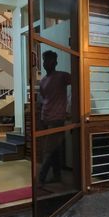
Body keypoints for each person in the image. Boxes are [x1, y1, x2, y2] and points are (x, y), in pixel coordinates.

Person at [39, 50, 71, 186]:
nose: (47, 63)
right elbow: (44, 99)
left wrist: (70, 108)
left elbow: (79, 82)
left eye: (50, 60)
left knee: (48, 150)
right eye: (45, 60)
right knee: (55, 149)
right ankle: (57, 176)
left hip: (57, 119)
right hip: (45, 118)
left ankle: (40, 178)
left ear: (56, 62)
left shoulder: (62, 76)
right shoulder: (43, 81)